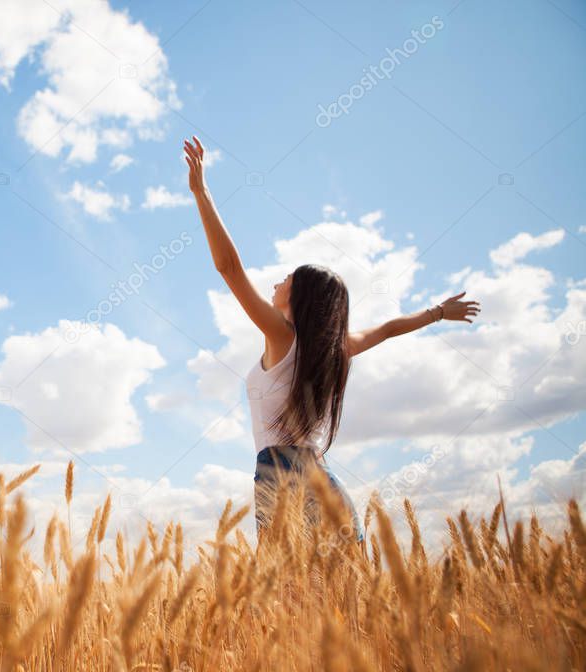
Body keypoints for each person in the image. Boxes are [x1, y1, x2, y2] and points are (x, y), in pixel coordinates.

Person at [182, 135, 481, 545]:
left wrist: (202, 193)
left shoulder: (282, 337)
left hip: (281, 475)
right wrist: (437, 314)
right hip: (322, 480)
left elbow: (230, 268)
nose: (276, 282)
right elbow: (389, 329)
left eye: (286, 280)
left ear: (300, 297)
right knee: (341, 596)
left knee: (285, 597)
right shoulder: (330, 350)